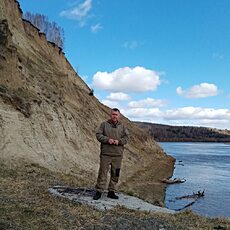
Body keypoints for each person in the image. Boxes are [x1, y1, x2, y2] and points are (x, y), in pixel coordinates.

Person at [93, 108, 129, 200]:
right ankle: (99, 191)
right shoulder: (104, 125)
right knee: (102, 173)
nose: (114, 116)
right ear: (110, 115)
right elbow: (98, 135)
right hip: (106, 154)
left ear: (119, 116)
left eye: (116, 114)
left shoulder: (123, 126)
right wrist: (107, 140)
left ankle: (111, 191)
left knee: (115, 173)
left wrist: (119, 141)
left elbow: (127, 138)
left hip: (118, 155)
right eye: (113, 114)